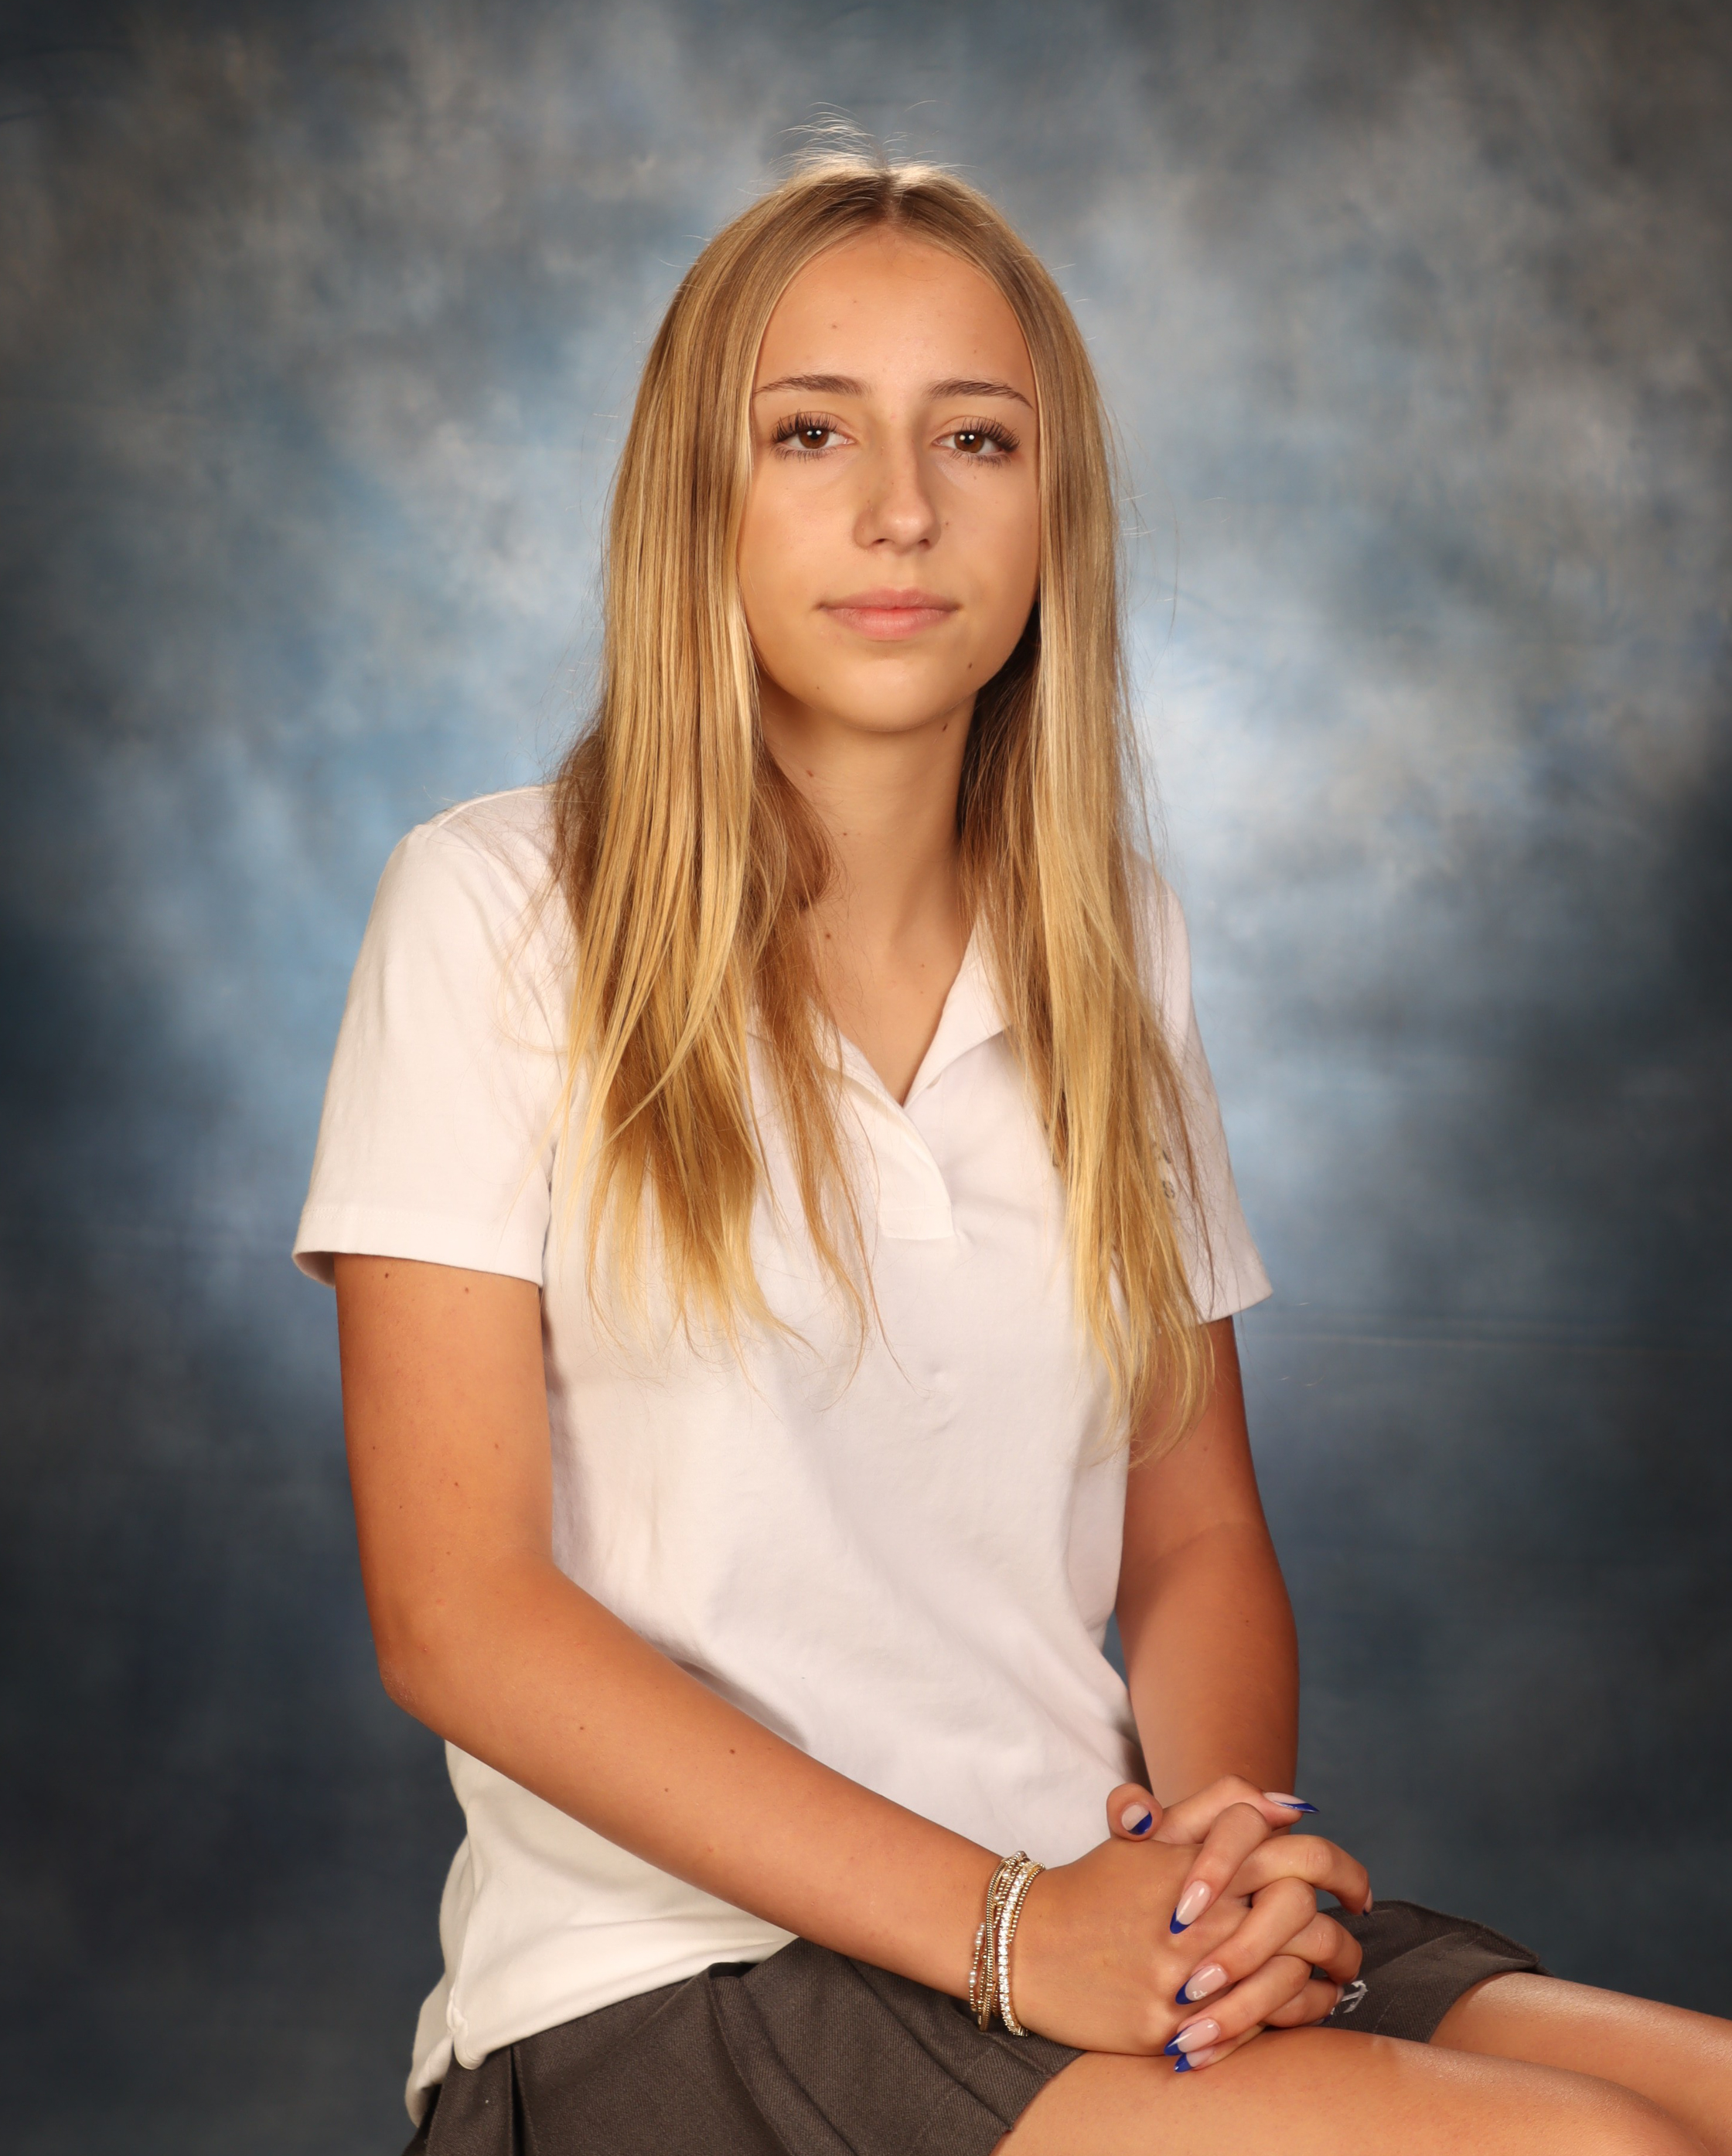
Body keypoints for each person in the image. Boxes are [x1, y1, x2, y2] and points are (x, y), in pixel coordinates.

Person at [295, 152, 1732, 2155]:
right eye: (812, 433)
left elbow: (1194, 1540)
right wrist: (1007, 1933)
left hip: (1088, 1910)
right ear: (697, 495)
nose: (903, 509)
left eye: (977, 438)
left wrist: (1218, 1879)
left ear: (1056, 511)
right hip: (682, 1987)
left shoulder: (1106, 942)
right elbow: (459, 1613)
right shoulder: (495, 909)